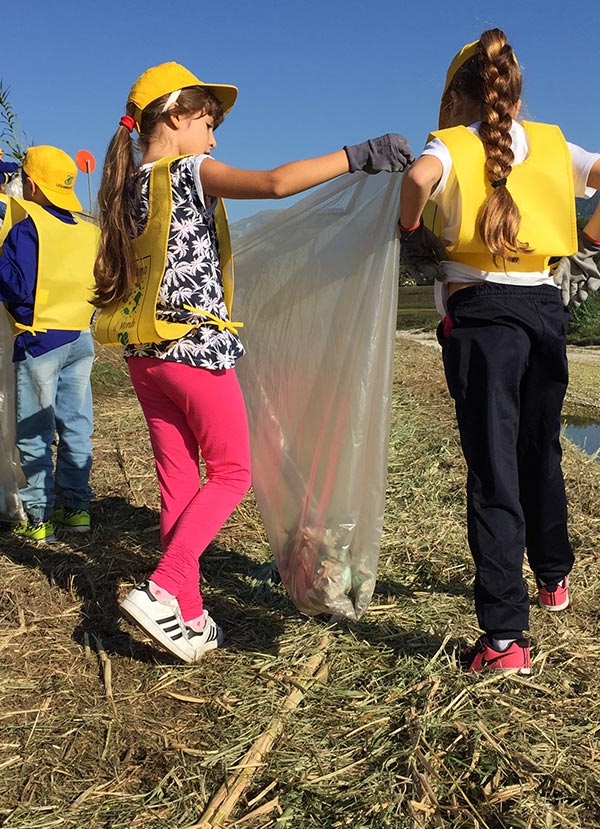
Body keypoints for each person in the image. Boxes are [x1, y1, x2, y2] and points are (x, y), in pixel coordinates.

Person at [91, 61, 412, 663]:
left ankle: (185, 613)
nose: (214, 139)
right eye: (208, 123)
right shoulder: (188, 171)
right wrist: (355, 156)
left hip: (144, 355)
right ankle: (164, 588)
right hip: (193, 350)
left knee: (180, 484)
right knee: (234, 472)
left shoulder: (127, 184)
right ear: (177, 116)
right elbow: (274, 184)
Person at [399, 30, 600, 674]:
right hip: (544, 309)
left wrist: (412, 229)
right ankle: (553, 579)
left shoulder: (448, 145)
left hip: (481, 318)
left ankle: (505, 639)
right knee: (539, 446)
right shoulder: (557, 145)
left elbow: (418, 181)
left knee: (493, 467)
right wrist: (585, 242)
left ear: (458, 95)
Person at [0, 146, 99, 543]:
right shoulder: (89, 231)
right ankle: (76, 510)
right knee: (75, 424)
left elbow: (15, 286)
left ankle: (37, 516)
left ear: (32, 183)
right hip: (79, 338)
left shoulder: (28, 227)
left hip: (39, 343)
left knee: (35, 432)